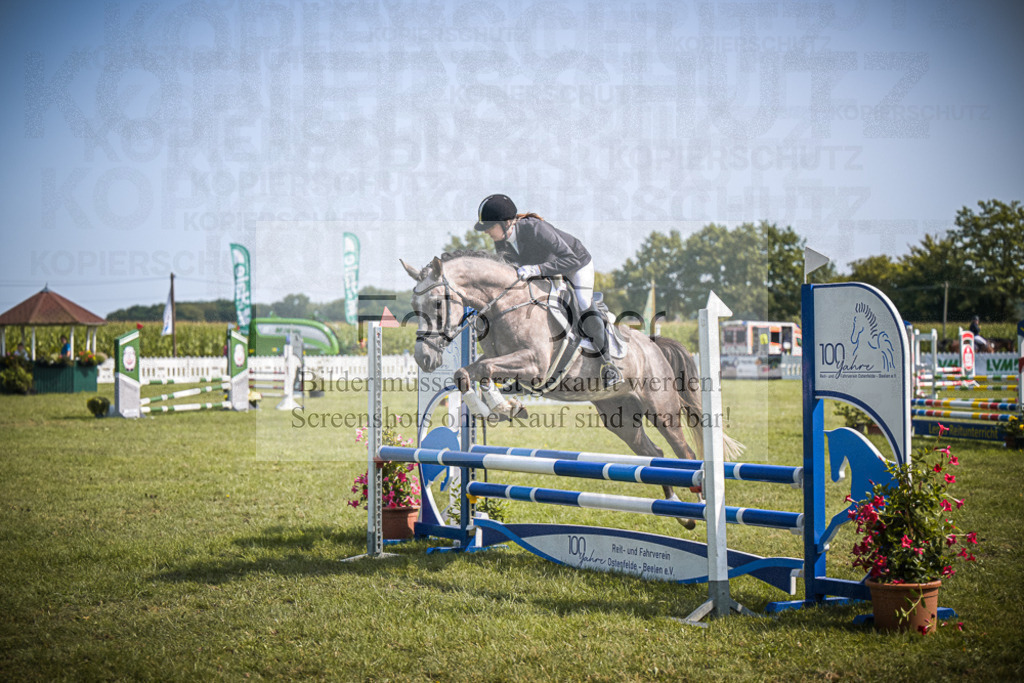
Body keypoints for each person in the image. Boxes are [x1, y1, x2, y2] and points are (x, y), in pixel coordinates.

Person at [473, 194, 622, 388]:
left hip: (576, 263)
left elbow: (570, 259)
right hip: (546, 271)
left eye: (489, 226)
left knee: (583, 302)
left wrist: (537, 269)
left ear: (507, 222)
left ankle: (608, 365)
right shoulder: (501, 240)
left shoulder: (535, 229)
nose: (486, 231)